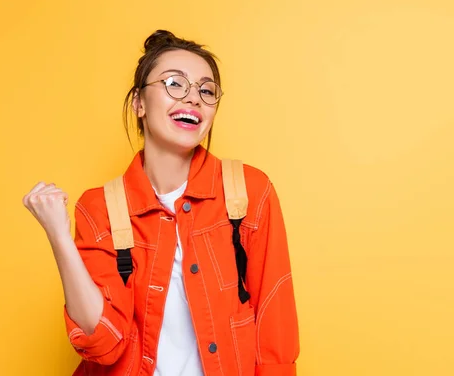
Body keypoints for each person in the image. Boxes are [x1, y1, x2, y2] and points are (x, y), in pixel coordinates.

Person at [23, 30, 300, 376]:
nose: (193, 99)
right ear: (138, 102)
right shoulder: (100, 208)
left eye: (206, 90)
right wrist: (59, 239)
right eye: (174, 84)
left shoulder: (247, 191)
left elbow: (275, 328)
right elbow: (104, 344)